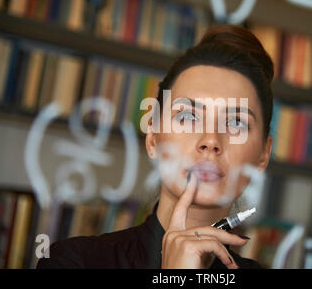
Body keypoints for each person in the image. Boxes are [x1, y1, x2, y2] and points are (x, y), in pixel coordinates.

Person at [37, 24, 274, 269]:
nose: (211, 140)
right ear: (153, 137)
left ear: (263, 155)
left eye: (236, 122)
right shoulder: (75, 262)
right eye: (189, 117)